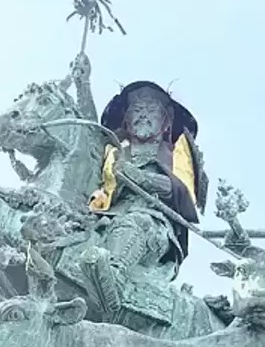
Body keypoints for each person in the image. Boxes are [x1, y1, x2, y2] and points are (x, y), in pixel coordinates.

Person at [83, 81, 207, 313]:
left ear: (165, 122)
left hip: (154, 222)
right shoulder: (115, 155)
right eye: (137, 111)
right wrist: (83, 85)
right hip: (108, 216)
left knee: (136, 222)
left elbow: (180, 191)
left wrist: (140, 178)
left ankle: (115, 275)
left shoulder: (175, 154)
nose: (143, 116)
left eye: (151, 111)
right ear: (126, 121)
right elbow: (97, 183)